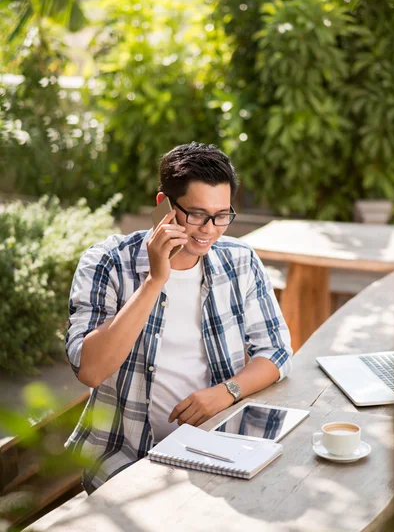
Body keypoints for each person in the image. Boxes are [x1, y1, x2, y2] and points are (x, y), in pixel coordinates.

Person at [65, 142, 293, 494]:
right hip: (125, 461)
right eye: (197, 214)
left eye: (221, 215)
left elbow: (276, 352)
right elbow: (90, 370)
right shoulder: (107, 262)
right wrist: (155, 280)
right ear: (164, 206)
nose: (209, 230)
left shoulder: (240, 261)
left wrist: (226, 392)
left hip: (216, 449)